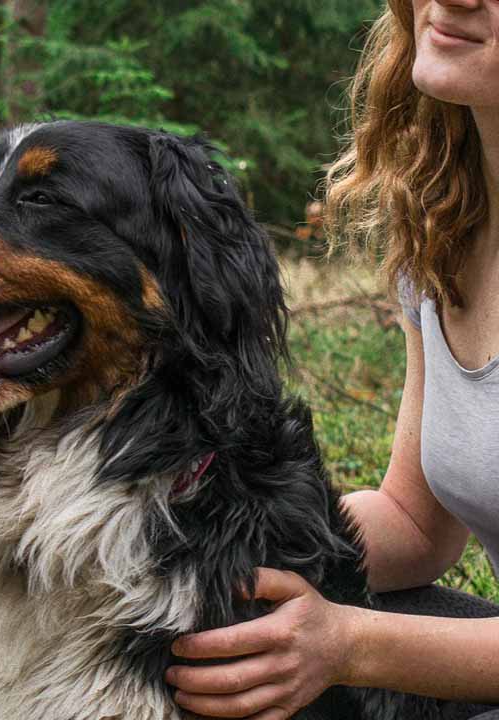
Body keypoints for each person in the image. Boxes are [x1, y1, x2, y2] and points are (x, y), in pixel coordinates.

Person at [166, 0, 499, 717]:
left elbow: (351, 639)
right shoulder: (448, 220)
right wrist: (179, 557)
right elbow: (413, 523)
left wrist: (347, 642)